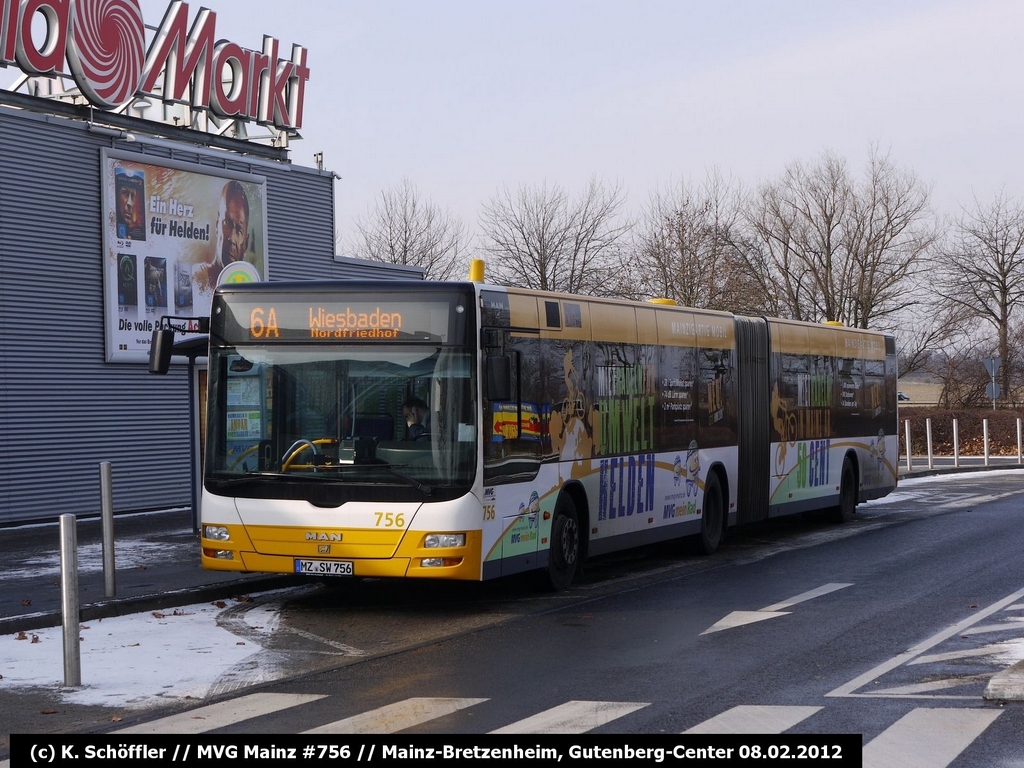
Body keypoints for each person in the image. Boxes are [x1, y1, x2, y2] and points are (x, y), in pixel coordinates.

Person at [194, 180, 251, 291]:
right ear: (217, 225)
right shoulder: (197, 279)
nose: (232, 238)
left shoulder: (251, 291)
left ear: (246, 243)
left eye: (239, 230)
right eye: (227, 223)